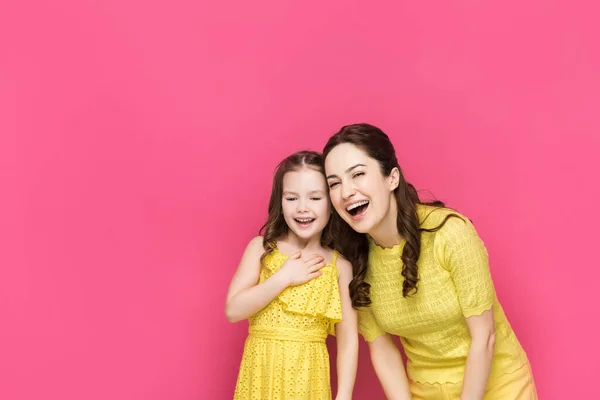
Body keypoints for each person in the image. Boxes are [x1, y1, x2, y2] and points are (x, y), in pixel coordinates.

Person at [323, 124, 537, 400]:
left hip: (499, 385)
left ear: (392, 178)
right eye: (334, 183)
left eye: (358, 175)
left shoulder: (450, 233)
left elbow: (484, 337)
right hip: (426, 391)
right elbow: (381, 348)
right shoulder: (356, 262)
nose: (346, 192)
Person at [226, 150, 358, 399]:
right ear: (280, 202)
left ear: (331, 204)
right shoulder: (261, 248)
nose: (302, 208)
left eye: (315, 198)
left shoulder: (340, 267)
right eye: (291, 198)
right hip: (260, 376)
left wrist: (344, 396)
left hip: (309, 382)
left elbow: (348, 341)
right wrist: (283, 277)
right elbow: (233, 310)